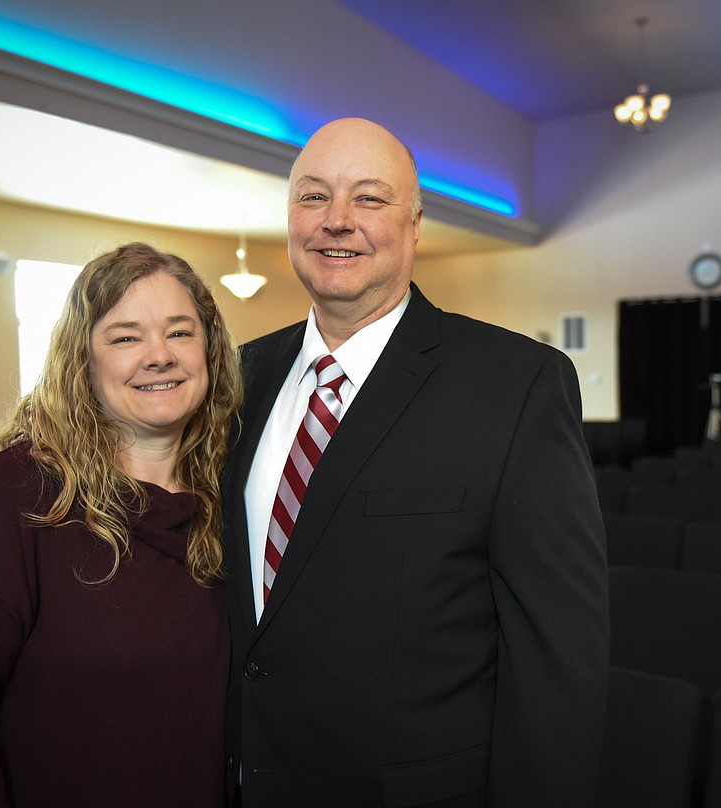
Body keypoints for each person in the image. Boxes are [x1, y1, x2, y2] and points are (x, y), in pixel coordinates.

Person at [223, 118, 609, 806]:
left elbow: (557, 662)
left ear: (415, 224)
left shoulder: (516, 386)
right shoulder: (236, 379)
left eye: (369, 199)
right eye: (313, 198)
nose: (337, 221)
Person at [0, 242, 243, 807]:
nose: (159, 355)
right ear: (82, 359)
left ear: (210, 350)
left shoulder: (237, 490)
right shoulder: (15, 494)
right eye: (125, 336)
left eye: (180, 332)